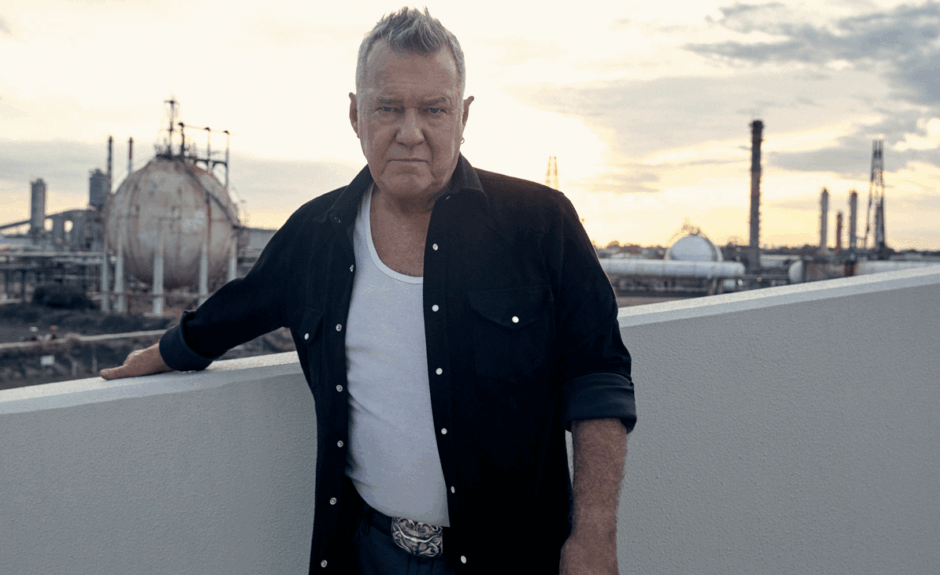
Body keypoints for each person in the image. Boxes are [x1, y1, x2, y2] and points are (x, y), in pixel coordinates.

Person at [101, 7, 635, 574]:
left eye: (434, 109)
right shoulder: (316, 233)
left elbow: (597, 376)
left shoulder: (541, 224)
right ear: (356, 115)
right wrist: (164, 352)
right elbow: (237, 309)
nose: (411, 132)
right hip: (366, 552)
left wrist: (593, 535)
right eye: (388, 108)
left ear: (464, 115)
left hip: (512, 555)